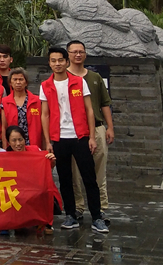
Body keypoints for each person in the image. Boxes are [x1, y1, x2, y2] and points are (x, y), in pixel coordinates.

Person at [40, 46, 106, 232]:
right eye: (53, 61)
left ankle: (96, 217)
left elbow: (90, 110)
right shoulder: (45, 85)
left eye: (60, 60)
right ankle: (70, 215)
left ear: (66, 62)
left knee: (89, 178)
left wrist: (92, 137)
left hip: (81, 136)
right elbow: (44, 114)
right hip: (59, 138)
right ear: (49, 63)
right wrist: (47, 141)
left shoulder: (78, 82)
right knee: (65, 178)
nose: (57, 64)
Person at [67, 40, 114, 222]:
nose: (78, 55)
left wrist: (110, 127)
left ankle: (101, 208)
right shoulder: (62, 78)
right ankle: (78, 207)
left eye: (81, 52)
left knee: (99, 171)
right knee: (74, 173)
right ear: (68, 55)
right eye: (74, 52)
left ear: (85, 54)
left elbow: (105, 104)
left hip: (98, 128)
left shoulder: (94, 78)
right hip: (73, 132)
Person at [1, 67, 41, 149]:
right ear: (10, 83)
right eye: (15, 79)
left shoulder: (37, 100)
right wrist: (5, 147)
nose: (18, 82)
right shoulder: (5, 102)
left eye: (21, 79)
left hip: (33, 143)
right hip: (14, 144)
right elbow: (4, 127)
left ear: (26, 82)